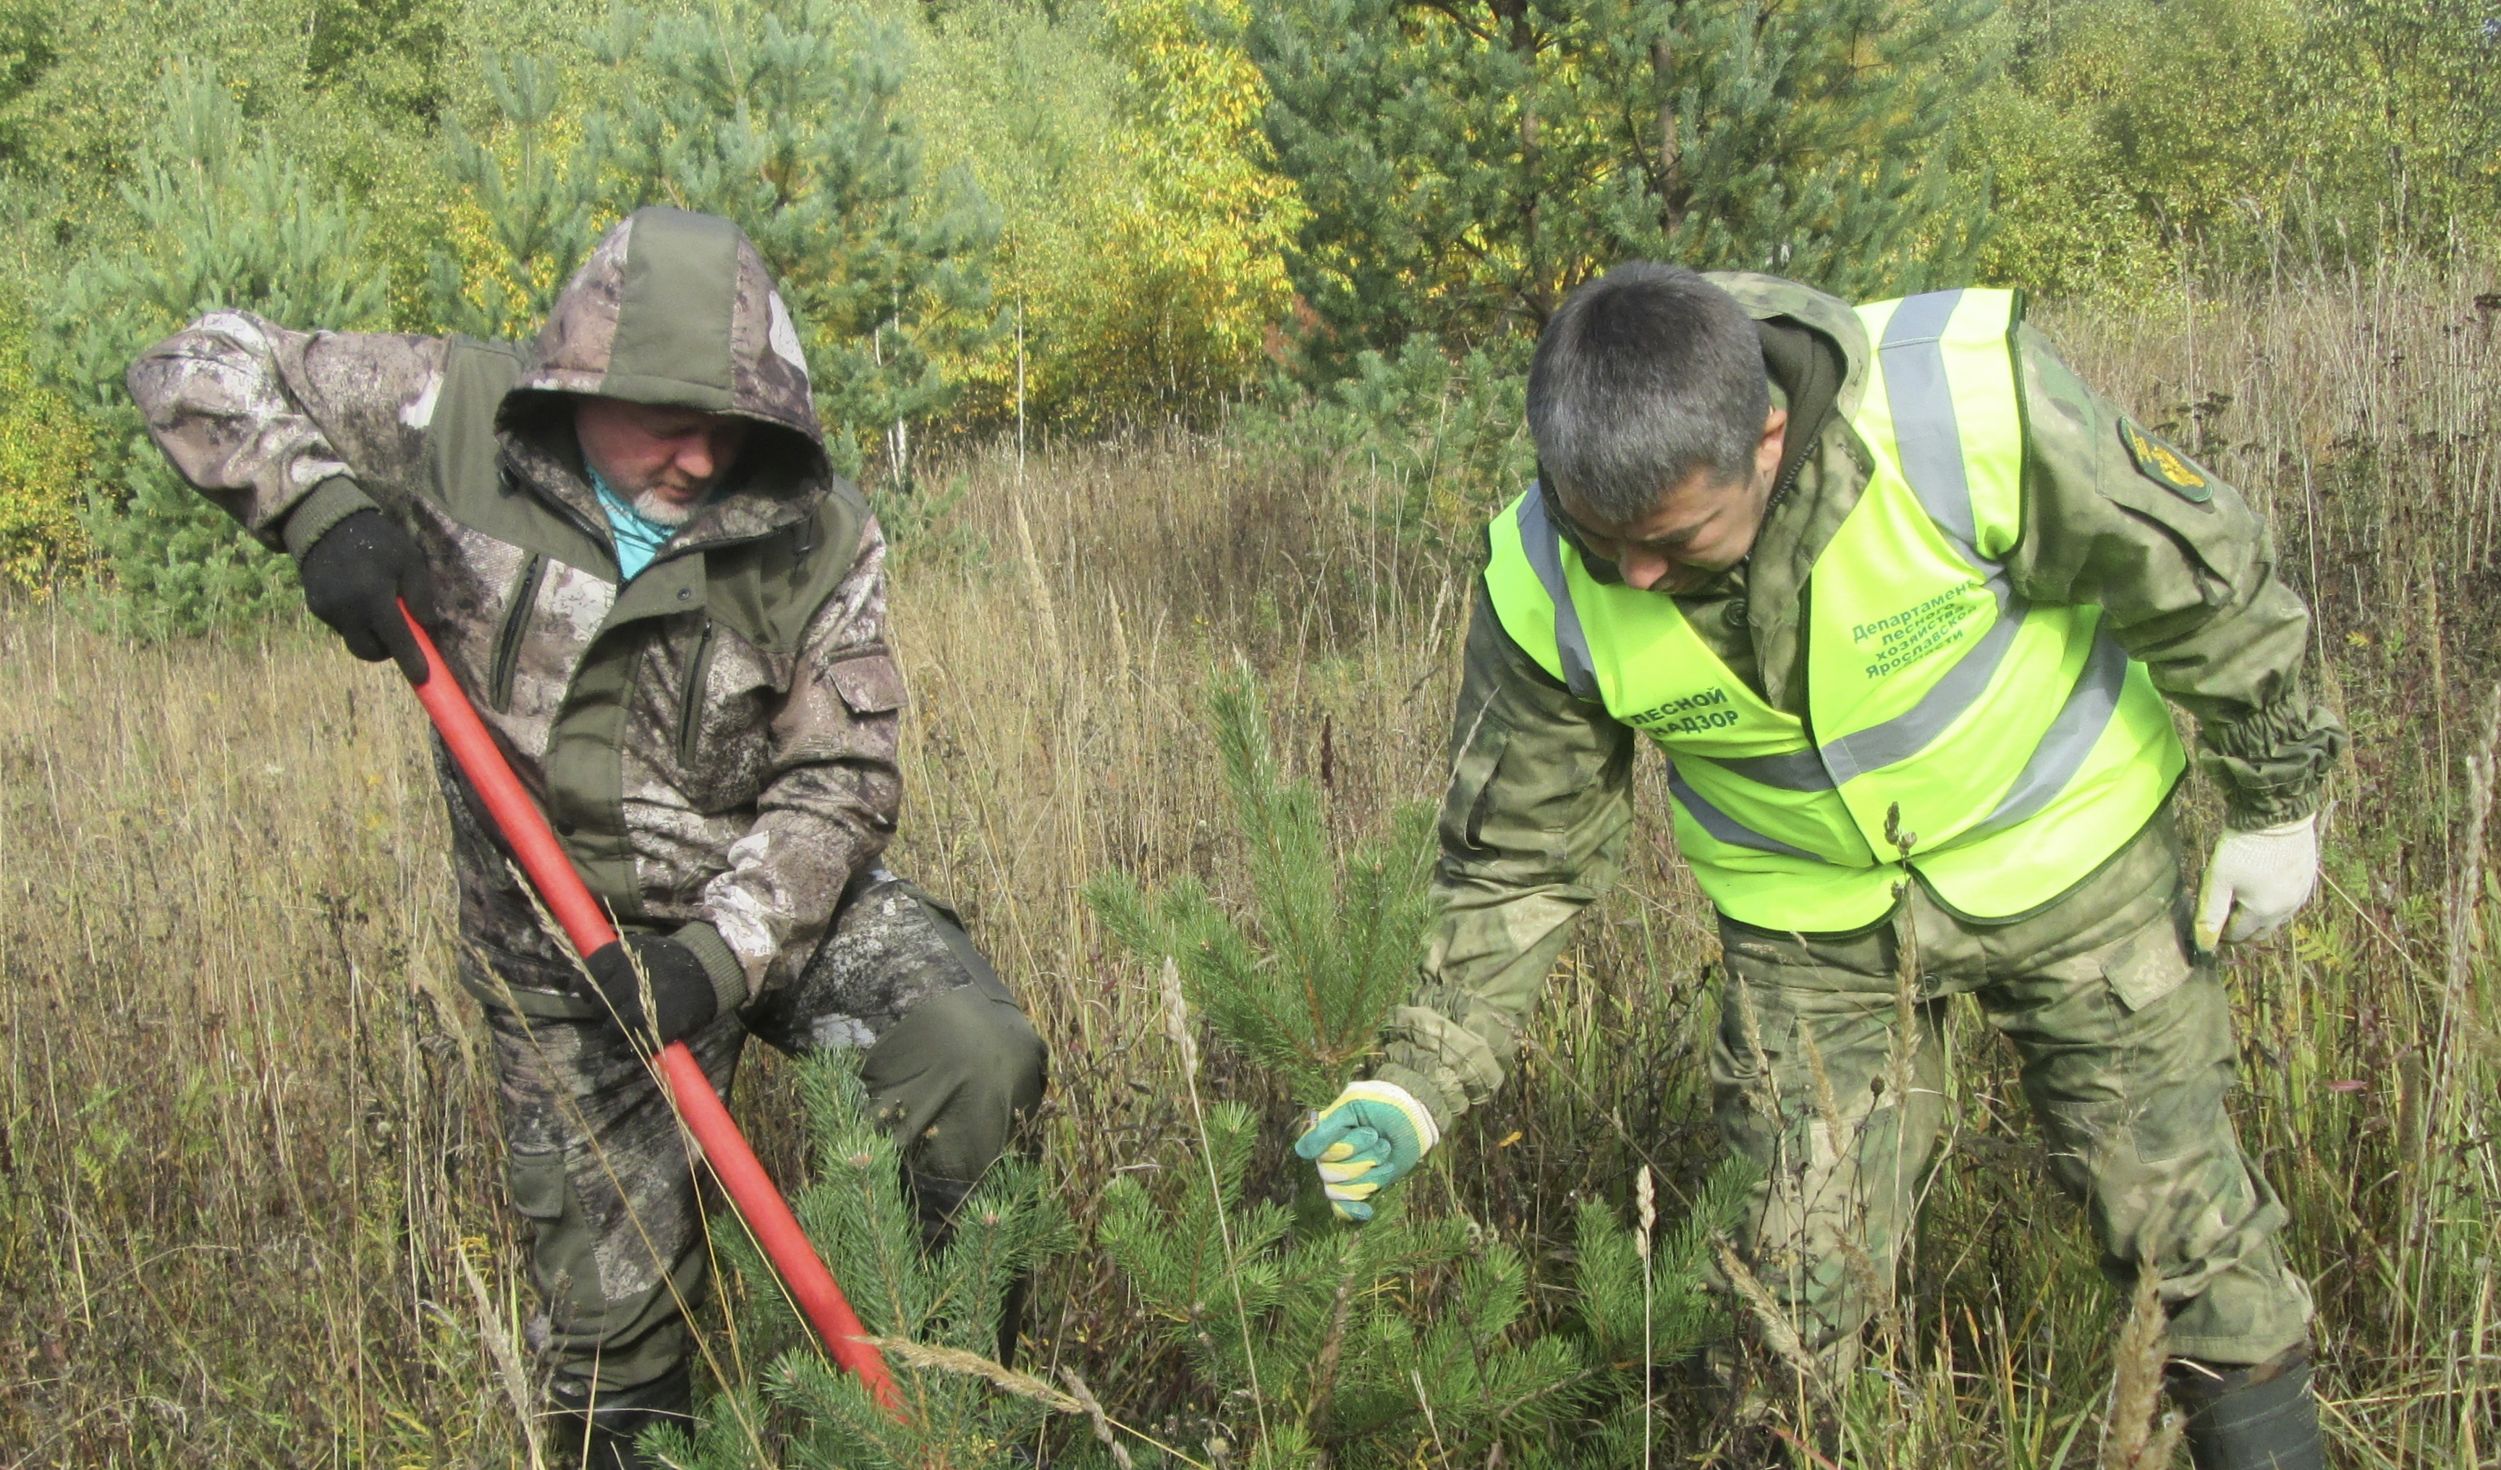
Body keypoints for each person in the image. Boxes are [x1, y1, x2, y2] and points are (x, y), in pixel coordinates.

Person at [1294, 263, 2341, 1467]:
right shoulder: (1539, 580)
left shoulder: (1961, 411)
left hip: (2073, 872)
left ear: (1768, 439)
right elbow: (1513, 863)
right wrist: (1418, 1080)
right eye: (1600, 538)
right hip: (1811, 949)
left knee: (2184, 1234)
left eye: (1669, 540)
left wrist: (2278, 794)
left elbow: (2198, 572)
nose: (1631, 576)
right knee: (1780, 1297)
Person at [129, 207, 1048, 1469]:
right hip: (560, 953)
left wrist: (716, 960)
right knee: (623, 1367)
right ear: (580, 380)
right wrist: (319, 505)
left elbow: (838, 782)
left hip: (767, 900)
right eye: (665, 413)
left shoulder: (812, 529)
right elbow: (199, 359)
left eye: (730, 421)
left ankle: (939, 1411)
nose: (699, 453)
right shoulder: (455, 417)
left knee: (971, 1054)